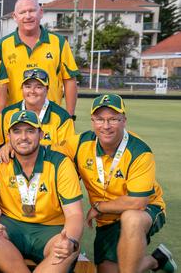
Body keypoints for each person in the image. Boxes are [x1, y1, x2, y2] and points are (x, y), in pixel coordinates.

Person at [55, 94, 176, 273]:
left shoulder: (139, 151)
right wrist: (11, 145)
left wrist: (99, 207)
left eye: (113, 119)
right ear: (92, 121)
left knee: (131, 219)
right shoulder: (80, 142)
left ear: (124, 120)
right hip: (107, 221)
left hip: (145, 210)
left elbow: (138, 202)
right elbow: (47, 152)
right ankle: (155, 260)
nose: (106, 126)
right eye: (100, 119)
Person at [0, 110, 83, 273]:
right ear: (9, 136)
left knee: (67, 248)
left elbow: (74, 214)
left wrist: (70, 240)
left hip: (50, 230)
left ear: (41, 134)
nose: (23, 137)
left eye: (30, 131)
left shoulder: (60, 163)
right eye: (17, 131)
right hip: (12, 226)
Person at [0, 0, 79, 117]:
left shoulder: (59, 42)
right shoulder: (1, 46)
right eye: (22, 12)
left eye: (32, 10)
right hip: (14, 122)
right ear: (15, 17)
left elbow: (69, 81)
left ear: (41, 12)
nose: (28, 16)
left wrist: (69, 116)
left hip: (50, 119)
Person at [0, 68, 75, 152]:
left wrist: (17, 146)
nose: (32, 91)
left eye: (38, 87)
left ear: (47, 90)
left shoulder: (63, 117)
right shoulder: (7, 114)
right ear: (22, 89)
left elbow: (67, 152)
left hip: (49, 164)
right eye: (28, 86)